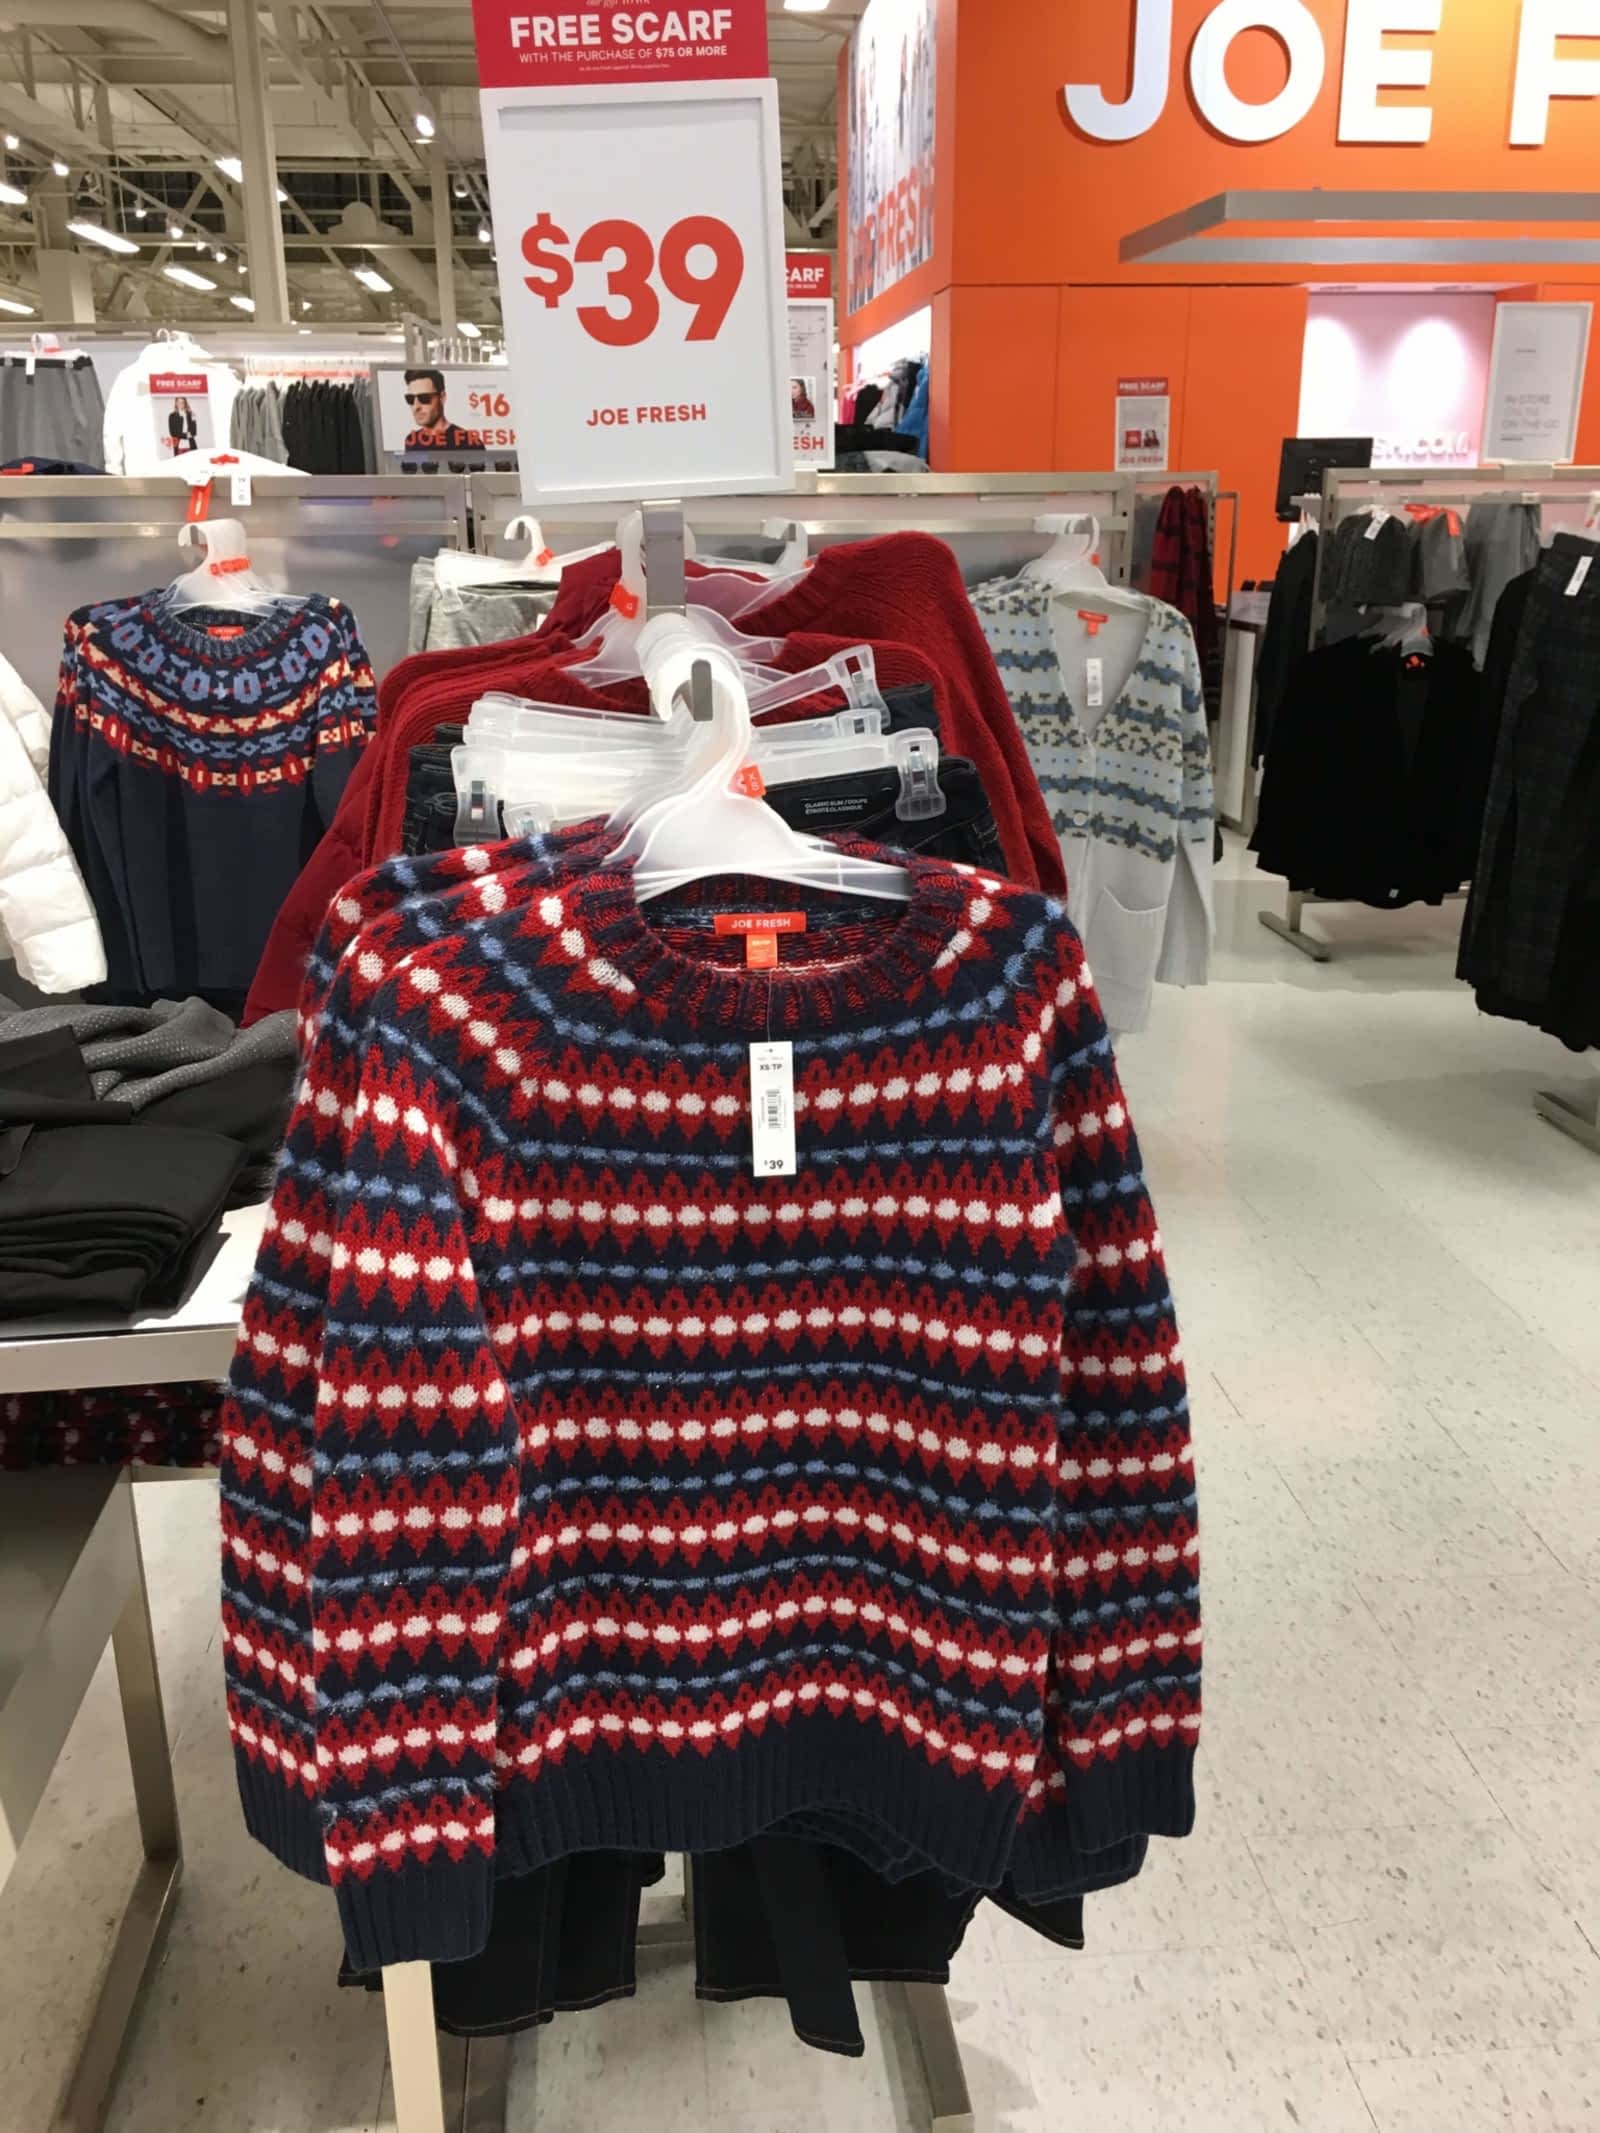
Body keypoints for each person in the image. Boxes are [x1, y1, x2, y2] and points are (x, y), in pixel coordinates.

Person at [401, 369, 484, 451]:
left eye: (424, 398)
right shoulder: (412, 441)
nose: (416, 407)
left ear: (442, 397)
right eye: (410, 399)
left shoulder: (470, 443)